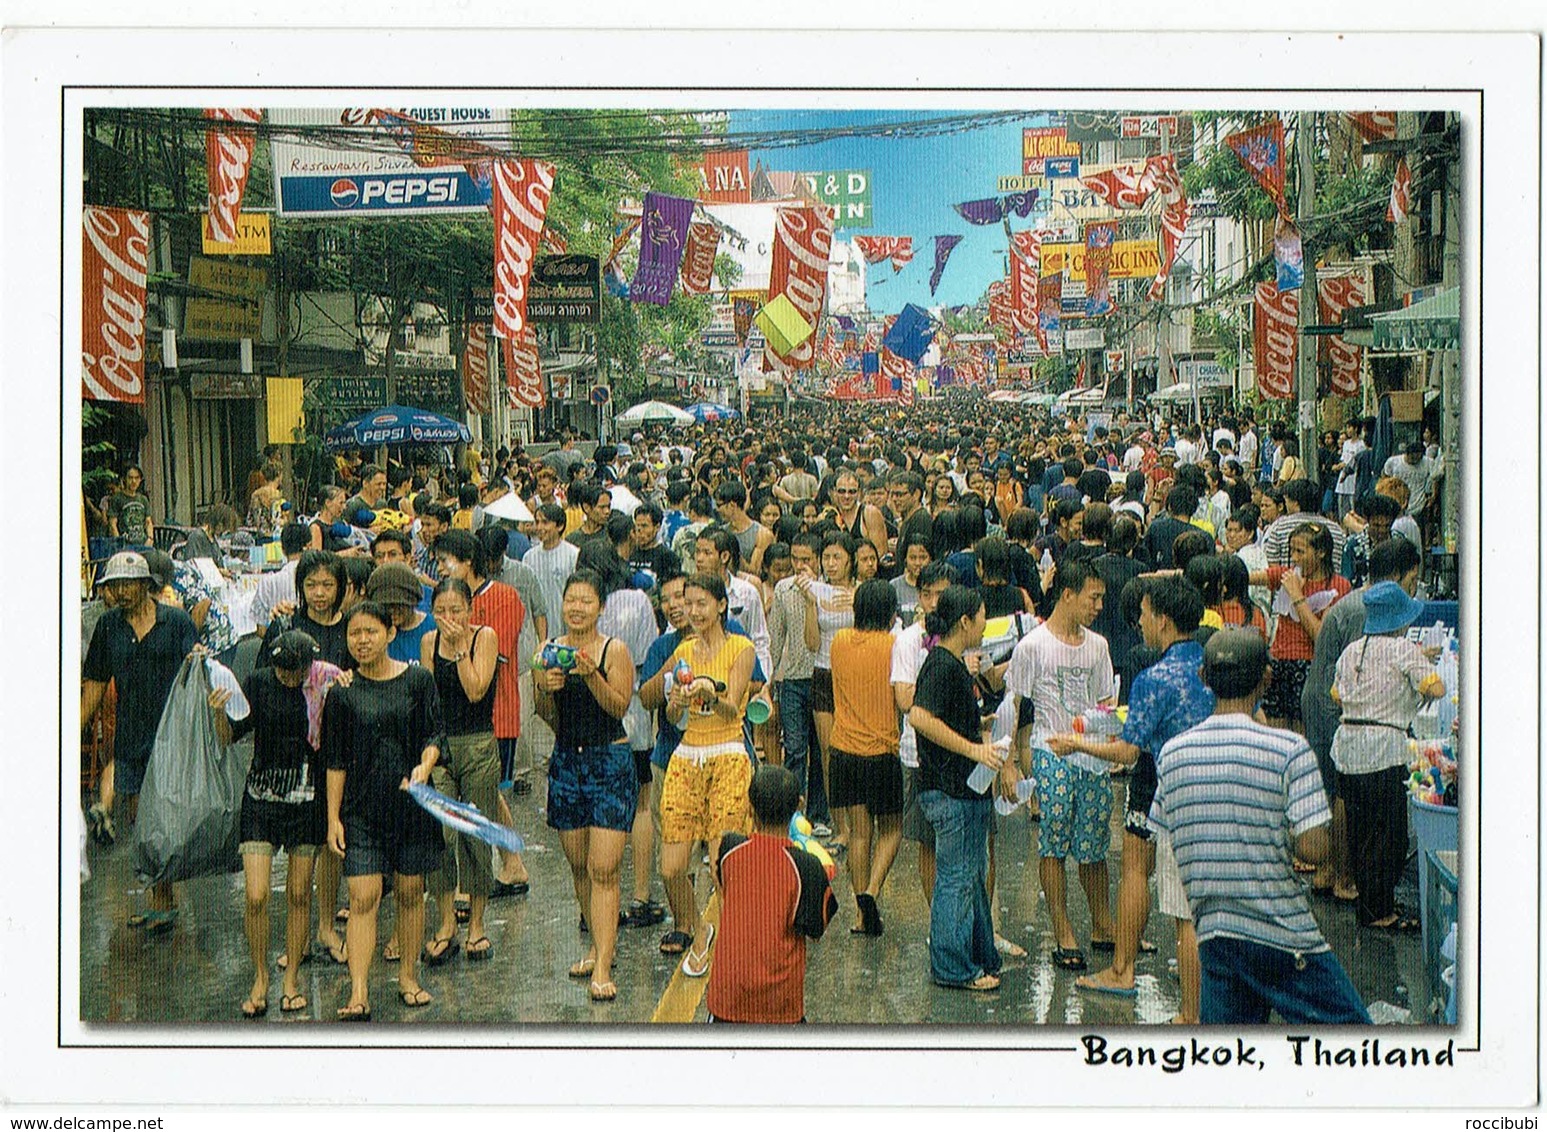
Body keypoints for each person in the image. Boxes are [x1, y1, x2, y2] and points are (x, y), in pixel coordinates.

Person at [1149, 630, 1371, 1025]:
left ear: (1204, 676)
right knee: (1358, 1041)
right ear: (1267, 678)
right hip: (1284, 937)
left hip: (1216, 936)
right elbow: (1315, 850)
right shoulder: (1289, 749)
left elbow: (1167, 828)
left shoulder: (1172, 754)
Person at [1050, 577, 1213, 1017]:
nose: (1137, 623)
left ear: (1162, 621)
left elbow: (1127, 751)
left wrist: (1077, 744)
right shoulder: (1213, 663)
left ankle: (1173, 1003)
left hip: (1168, 793)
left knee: (1174, 903)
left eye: (1142, 615)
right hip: (1219, 789)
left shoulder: (1155, 678)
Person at [324, 601, 446, 1021]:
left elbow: (434, 734)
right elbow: (334, 761)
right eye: (354, 633)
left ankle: (409, 976)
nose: (361, 641)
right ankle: (359, 991)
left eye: (370, 632)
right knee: (363, 896)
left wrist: (425, 765)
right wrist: (332, 818)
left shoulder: (418, 680)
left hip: (412, 808)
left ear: (390, 634)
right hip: (361, 812)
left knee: (412, 893)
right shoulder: (341, 693)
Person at [212, 630, 339, 1017]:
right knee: (256, 895)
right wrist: (217, 711)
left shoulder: (325, 684)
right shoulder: (259, 681)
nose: (287, 676)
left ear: (308, 666)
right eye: (281, 668)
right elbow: (231, 736)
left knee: (300, 894)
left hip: (306, 801)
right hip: (261, 799)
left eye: (295, 670)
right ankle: (260, 976)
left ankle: (290, 980)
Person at [1005, 558, 1116, 973]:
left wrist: (1099, 737)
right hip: (1050, 755)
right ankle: (1062, 928)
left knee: (1094, 846)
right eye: (1094, 597)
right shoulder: (1031, 646)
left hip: (1092, 758)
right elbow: (1011, 706)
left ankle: (1103, 923)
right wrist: (1010, 764)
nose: (1099, 605)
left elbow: (1107, 702)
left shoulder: (1098, 646)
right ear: (1067, 595)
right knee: (1053, 843)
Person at [1300, 536, 1424, 904]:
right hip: (1333, 709)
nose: (1412, 588)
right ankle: (1343, 876)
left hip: (1325, 700)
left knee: (1338, 791)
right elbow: (1364, 672)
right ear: (1400, 577)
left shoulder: (1358, 601)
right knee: (1343, 794)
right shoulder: (1368, 610)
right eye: (1412, 581)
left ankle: (1329, 873)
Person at [532, 570, 636, 1002]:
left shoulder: (615, 650)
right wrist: (547, 689)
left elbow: (619, 706)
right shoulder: (548, 651)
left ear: (600, 607)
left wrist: (591, 675)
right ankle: (595, 944)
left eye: (586, 601)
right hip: (566, 763)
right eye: (570, 600)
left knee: (604, 869)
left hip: (609, 761)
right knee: (579, 867)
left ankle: (605, 966)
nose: (576, 608)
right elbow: (545, 717)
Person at [81, 552, 198, 924]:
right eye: (114, 585)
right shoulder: (108, 627)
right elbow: (96, 685)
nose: (121, 592)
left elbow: (196, 673)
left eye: (128, 584)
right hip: (132, 732)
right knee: (140, 822)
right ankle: (160, 898)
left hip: (172, 735)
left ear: (147, 585)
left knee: (163, 822)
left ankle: (163, 898)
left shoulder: (176, 621)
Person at [908, 584, 1012, 991]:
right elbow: (919, 717)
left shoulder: (951, 664)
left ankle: (978, 956)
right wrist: (973, 748)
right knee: (956, 877)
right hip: (950, 790)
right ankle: (952, 967)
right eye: (983, 616)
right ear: (965, 622)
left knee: (969, 874)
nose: (987, 625)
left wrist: (978, 729)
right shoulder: (942, 665)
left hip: (963, 789)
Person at [657, 572, 757, 979]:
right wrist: (678, 700)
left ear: (720, 605)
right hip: (686, 757)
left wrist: (708, 693)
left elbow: (734, 708)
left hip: (729, 755)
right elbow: (670, 715)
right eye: (687, 602)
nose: (692, 611)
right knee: (671, 867)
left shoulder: (742, 647)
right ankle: (700, 929)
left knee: (722, 865)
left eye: (701, 604)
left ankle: (734, 943)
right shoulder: (682, 651)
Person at [1330, 581, 1446, 931]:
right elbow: (1436, 688)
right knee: (1390, 835)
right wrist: (1415, 673)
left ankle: (1371, 903)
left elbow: (1337, 694)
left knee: (1362, 832)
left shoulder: (1353, 650)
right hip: (1384, 750)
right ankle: (1378, 912)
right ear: (1400, 621)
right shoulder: (1404, 650)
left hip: (1348, 748)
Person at [436, 529, 532, 897]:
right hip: (456, 717)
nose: (442, 568)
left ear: (469, 562)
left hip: (495, 710)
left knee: (485, 792)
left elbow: (499, 655)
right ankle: (511, 862)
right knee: (484, 793)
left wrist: (463, 637)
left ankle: (495, 868)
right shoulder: (449, 601)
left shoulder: (504, 597)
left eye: (448, 562)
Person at [705, 765, 838, 1023]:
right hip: (780, 1005)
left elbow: (722, 882)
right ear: (798, 805)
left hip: (727, 1001)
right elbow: (815, 928)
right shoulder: (807, 867)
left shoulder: (730, 850)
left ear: (750, 808)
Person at [419, 577, 503, 967]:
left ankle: (477, 924)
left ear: (470, 610)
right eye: (441, 612)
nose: (449, 619)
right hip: (442, 745)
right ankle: (446, 921)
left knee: (474, 832)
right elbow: (428, 698)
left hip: (478, 743)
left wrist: (457, 650)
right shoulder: (427, 643)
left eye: (456, 611)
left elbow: (475, 690)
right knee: (440, 834)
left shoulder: (484, 637)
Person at [828, 579, 902, 936]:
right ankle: (872, 890)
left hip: (844, 750)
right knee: (891, 830)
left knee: (859, 834)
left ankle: (860, 913)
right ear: (890, 613)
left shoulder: (839, 642)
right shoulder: (893, 645)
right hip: (881, 750)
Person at [1250, 523, 1352, 730]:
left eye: (1300, 552)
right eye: (1292, 551)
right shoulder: (1288, 576)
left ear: (1321, 552)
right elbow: (1247, 578)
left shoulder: (1338, 586)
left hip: (1310, 668)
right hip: (1279, 663)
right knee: (1274, 734)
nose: (1294, 558)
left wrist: (1297, 596)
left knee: (1302, 734)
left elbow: (1321, 635)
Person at [796, 531, 859, 846]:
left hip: (856, 677)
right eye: (827, 557)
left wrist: (858, 604)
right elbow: (811, 642)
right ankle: (841, 826)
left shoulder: (860, 591)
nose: (831, 563)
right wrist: (810, 604)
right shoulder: (815, 592)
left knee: (854, 750)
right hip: (823, 673)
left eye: (837, 557)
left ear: (850, 559)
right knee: (828, 752)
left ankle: (859, 822)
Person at [365, 562, 436, 664]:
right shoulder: (373, 631)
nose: (392, 610)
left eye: (398, 605)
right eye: (385, 606)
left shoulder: (433, 627)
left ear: (412, 601)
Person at [252, 523, 310, 637]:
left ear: (283, 549)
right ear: (309, 546)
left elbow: (261, 630)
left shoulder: (267, 583)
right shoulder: (317, 581)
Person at [104, 465, 154, 547]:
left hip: (143, 544)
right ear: (124, 479)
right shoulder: (117, 499)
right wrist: (119, 544)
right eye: (130, 478)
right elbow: (112, 524)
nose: (133, 481)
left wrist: (150, 538)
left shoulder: (143, 499)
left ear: (140, 480)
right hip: (125, 545)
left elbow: (148, 522)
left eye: (136, 478)